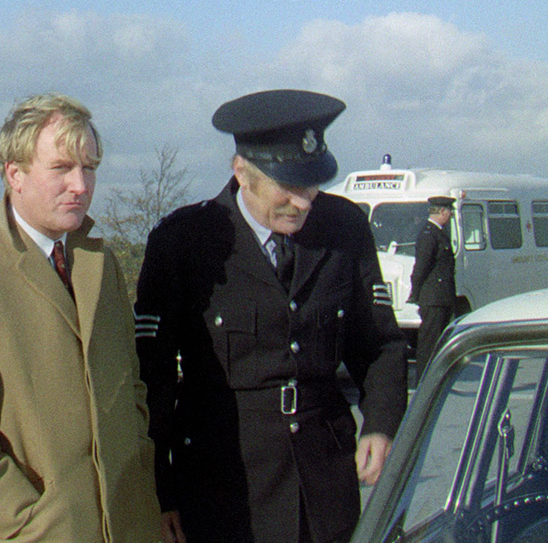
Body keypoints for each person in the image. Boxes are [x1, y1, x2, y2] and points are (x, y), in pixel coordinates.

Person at [135, 90, 408, 543]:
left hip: (324, 482)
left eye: (312, 185)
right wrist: (162, 492)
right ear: (242, 173)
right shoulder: (186, 242)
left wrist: (380, 424)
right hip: (226, 487)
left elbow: (379, 343)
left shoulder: (344, 228)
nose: (303, 203)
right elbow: (153, 379)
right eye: (288, 187)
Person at [0, 93, 162, 542]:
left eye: (90, 168)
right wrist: (29, 520)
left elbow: (131, 388)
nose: (81, 185)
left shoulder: (102, 266)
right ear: (15, 174)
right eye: (62, 168)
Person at [407, 196, 457, 376]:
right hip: (433, 298)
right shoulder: (429, 235)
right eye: (449, 211)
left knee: (439, 343)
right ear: (442, 211)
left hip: (441, 297)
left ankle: (436, 377)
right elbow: (421, 268)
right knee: (429, 344)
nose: (450, 215)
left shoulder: (438, 233)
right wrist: (416, 294)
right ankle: (424, 380)